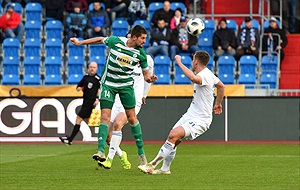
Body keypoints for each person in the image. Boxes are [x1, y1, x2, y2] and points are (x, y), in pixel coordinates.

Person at [69, 25, 158, 165]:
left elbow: (146, 75)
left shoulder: (141, 54)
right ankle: (100, 151)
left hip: (125, 87)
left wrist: (149, 79)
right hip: (108, 85)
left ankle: (141, 154)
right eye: (142, 38)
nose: (144, 41)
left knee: (132, 118)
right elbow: (99, 39)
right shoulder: (116, 41)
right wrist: (80, 42)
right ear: (134, 37)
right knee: (105, 116)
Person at [138, 51, 225, 174]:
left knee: (174, 135)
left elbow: (193, 78)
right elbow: (221, 86)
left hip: (201, 119)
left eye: (193, 59)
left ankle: (152, 165)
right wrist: (218, 103)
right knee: (173, 138)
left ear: (196, 61)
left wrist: (179, 62)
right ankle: (165, 169)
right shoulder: (209, 74)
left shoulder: (205, 74)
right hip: (191, 114)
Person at [59, 62, 101, 145]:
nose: (92, 69)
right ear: (88, 68)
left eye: (94, 67)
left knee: (79, 119)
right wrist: (79, 87)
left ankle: (70, 139)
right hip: (85, 101)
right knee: (90, 121)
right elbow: (79, 85)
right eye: (91, 67)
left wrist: (98, 99)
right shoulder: (86, 77)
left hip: (90, 102)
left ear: (97, 69)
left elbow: (103, 89)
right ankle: (108, 137)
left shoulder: (98, 79)